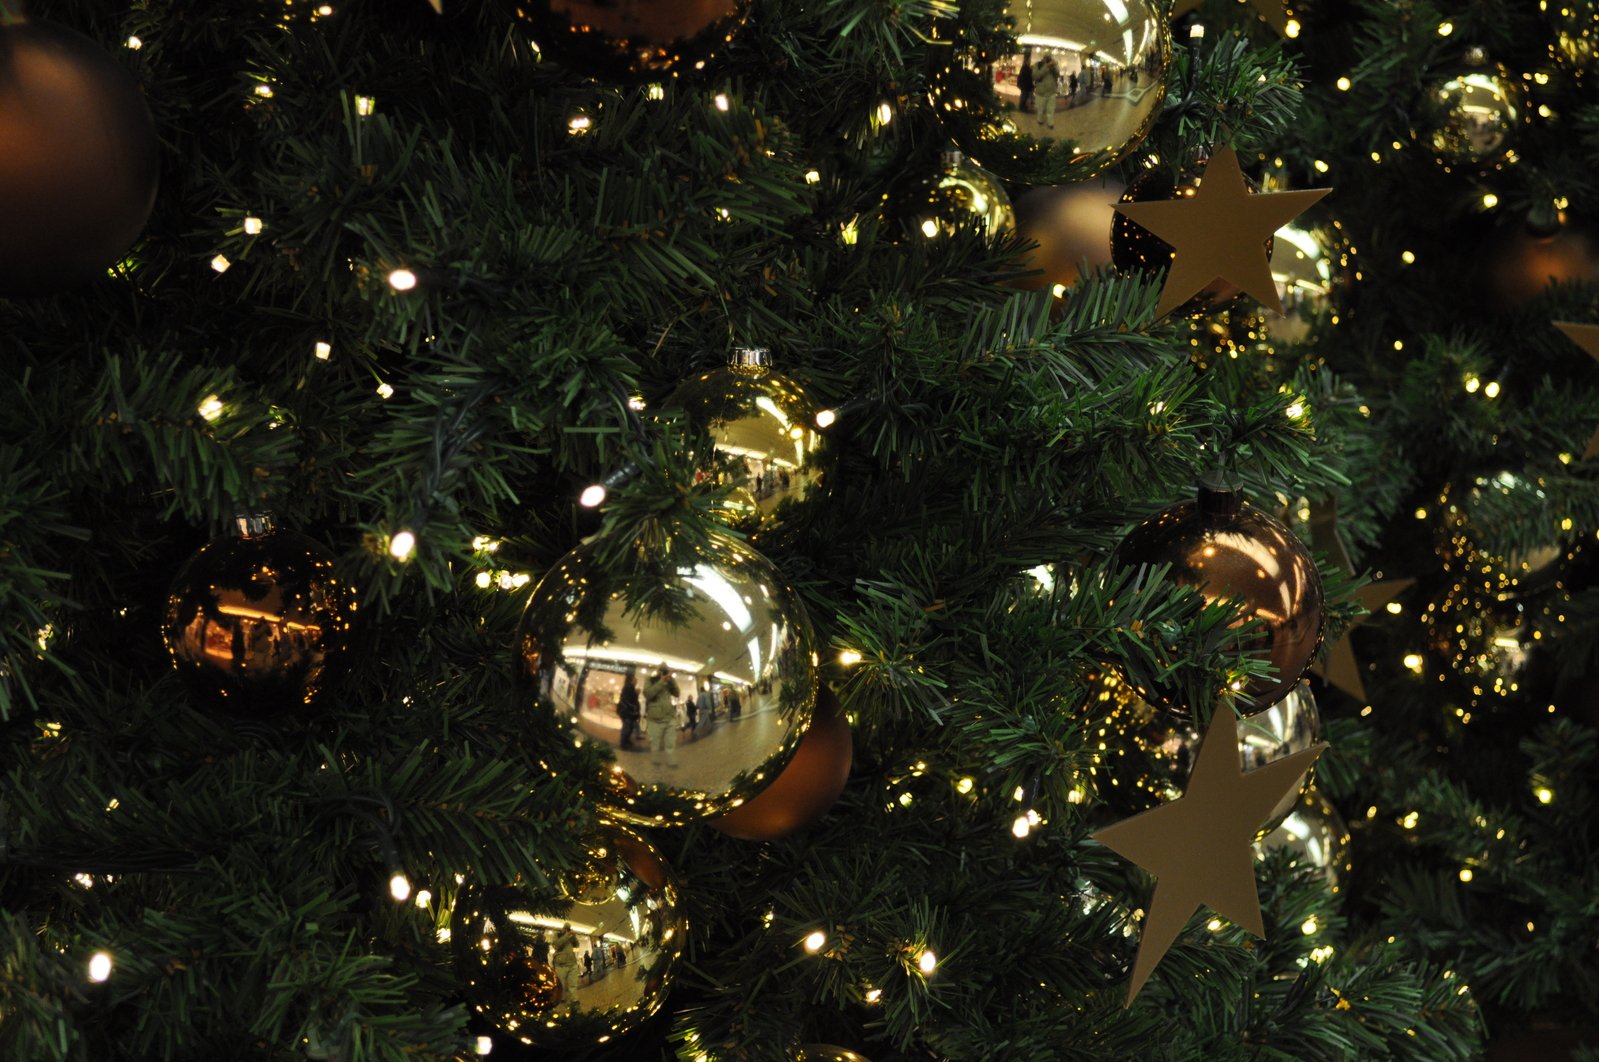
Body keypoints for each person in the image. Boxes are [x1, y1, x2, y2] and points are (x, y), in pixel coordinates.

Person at [644, 665, 680, 766]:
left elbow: (677, 693)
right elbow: (647, 694)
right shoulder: (650, 679)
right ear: (658, 671)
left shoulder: (670, 681)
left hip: (669, 716)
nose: (664, 673)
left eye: (666, 671)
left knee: (670, 742)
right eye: (662, 671)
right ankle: (655, 760)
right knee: (655, 743)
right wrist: (661, 681)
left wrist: (671, 679)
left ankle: (671, 760)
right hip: (655, 718)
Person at [552, 923, 580, 1004]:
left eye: (568, 928)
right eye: (566, 928)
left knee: (573, 984)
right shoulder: (557, 935)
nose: (567, 929)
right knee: (561, 984)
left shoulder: (570, 936)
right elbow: (556, 945)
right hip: (561, 965)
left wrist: (574, 936)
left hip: (572, 963)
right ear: (562, 928)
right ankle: (562, 998)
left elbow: (577, 945)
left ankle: (575, 999)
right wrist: (567, 935)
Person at [616, 669, 641, 749]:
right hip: (627, 712)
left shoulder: (630, 687)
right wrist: (633, 709)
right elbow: (629, 700)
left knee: (629, 727)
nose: (636, 682)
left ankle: (626, 741)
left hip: (628, 712)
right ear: (632, 680)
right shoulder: (629, 687)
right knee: (627, 727)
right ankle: (623, 743)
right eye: (635, 680)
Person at [1034, 57, 1060, 130]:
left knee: (1051, 110)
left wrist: (1055, 66)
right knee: (1040, 109)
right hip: (1041, 92)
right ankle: (1040, 120)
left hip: (1051, 92)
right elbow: (1035, 76)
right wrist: (1046, 66)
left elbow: (1057, 75)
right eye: (1046, 57)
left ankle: (1050, 123)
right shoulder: (1038, 65)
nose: (1048, 59)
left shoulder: (1053, 66)